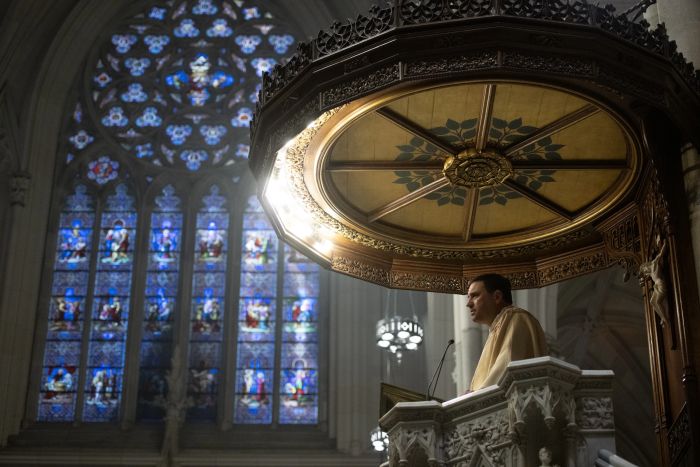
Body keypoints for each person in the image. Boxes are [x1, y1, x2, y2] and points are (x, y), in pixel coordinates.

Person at [467, 273, 548, 392]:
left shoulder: (517, 318)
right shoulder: (497, 327)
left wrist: (474, 395)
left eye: (475, 296)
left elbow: (507, 367)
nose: (468, 304)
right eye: (468, 297)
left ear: (497, 297)